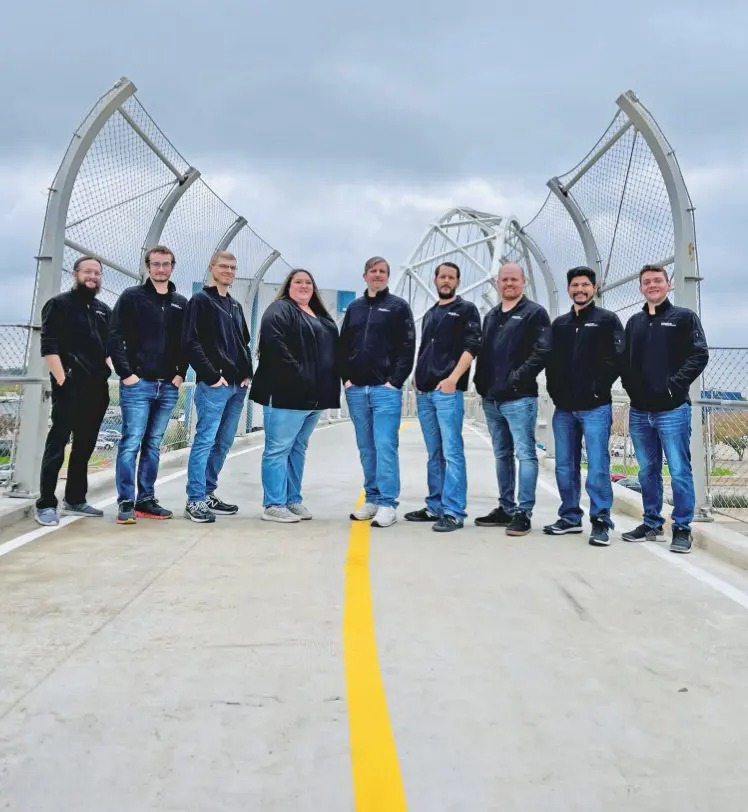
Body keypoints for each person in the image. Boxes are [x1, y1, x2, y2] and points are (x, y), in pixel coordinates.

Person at [620, 264, 709, 554]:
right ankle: (652, 523)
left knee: (680, 470)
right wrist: (631, 389)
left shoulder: (684, 318)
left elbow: (699, 355)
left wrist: (674, 386)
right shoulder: (634, 322)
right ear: (641, 288)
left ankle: (682, 528)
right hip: (640, 411)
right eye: (647, 282)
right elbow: (626, 362)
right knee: (647, 471)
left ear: (668, 284)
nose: (652, 285)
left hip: (672, 410)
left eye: (658, 280)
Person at [543, 266, 625, 546]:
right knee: (565, 465)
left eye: (585, 285)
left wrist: (596, 389)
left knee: (598, 465)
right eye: (575, 285)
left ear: (594, 287)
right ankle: (569, 516)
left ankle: (601, 520)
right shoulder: (560, 324)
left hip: (595, 407)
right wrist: (556, 393)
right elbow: (550, 363)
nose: (580, 290)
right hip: (564, 408)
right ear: (568, 289)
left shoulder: (607, 320)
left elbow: (616, 359)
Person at [250, 269, 340, 522]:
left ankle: (292, 500)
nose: (304, 286)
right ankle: (273, 504)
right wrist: (300, 374)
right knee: (278, 450)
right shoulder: (280, 309)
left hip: (313, 397)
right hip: (286, 394)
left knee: (298, 448)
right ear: (288, 286)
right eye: (298, 281)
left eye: (308, 282)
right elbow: (273, 343)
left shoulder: (320, 315)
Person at [108, 245, 188, 524]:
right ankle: (126, 501)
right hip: (137, 384)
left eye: (166, 264)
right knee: (131, 443)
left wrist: (180, 374)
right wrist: (127, 374)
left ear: (172, 267)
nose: (161, 269)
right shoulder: (132, 297)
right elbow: (114, 336)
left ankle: (146, 499)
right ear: (147, 267)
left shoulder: (181, 302)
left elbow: (186, 342)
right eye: (155, 264)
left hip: (167, 386)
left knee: (153, 444)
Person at [473, 262, 552, 536]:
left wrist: (516, 378)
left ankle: (523, 512)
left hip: (519, 398)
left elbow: (542, 351)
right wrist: (480, 383)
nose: (509, 284)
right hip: (492, 399)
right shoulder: (492, 315)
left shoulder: (534, 313)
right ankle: (505, 507)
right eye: (504, 279)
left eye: (514, 280)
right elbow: (484, 352)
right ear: (498, 283)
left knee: (525, 454)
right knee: (502, 455)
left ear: (523, 282)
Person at [338, 256, 416, 528]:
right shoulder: (355, 308)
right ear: (365, 276)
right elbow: (343, 344)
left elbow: (407, 348)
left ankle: (387, 504)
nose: (378, 275)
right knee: (366, 448)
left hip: (385, 390)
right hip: (357, 390)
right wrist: (346, 379)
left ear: (387, 276)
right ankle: (371, 498)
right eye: (373, 271)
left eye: (383, 271)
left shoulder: (398, 307)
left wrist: (394, 382)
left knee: (385, 447)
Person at [34, 256, 112, 526]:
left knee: (85, 446)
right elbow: (50, 346)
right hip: (69, 387)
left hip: (97, 388)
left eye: (97, 273)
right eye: (88, 272)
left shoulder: (103, 310)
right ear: (76, 273)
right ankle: (45, 504)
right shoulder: (59, 305)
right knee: (57, 445)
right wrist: (62, 380)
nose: (92, 276)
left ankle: (75, 499)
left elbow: (108, 350)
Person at [405, 262, 481, 532]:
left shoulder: (466, 310)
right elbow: (425, 347)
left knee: (452, 452)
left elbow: (472, 346)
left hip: (447, 392)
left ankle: (454, 511)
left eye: (451, 277)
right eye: (442, 276)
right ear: (435, 280)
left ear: (457, 282)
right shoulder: (430, 313)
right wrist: (416, 375)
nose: (446, 281)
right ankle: (434, 506)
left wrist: (452, 379)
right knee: (434, 453)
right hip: (424, 392)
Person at [182, 250, 252, 523]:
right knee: (205, 441)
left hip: (237, 387)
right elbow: (190, 342)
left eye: (233, 268)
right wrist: (211, 376)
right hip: (215, 386)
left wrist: (247, 374)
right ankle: (195, 500)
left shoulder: (234, 306)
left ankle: (208, 492)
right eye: (224, 266)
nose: (229, 271)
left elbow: (243, 342)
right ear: (212, 268)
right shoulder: (200, 301)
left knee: (223, 442)